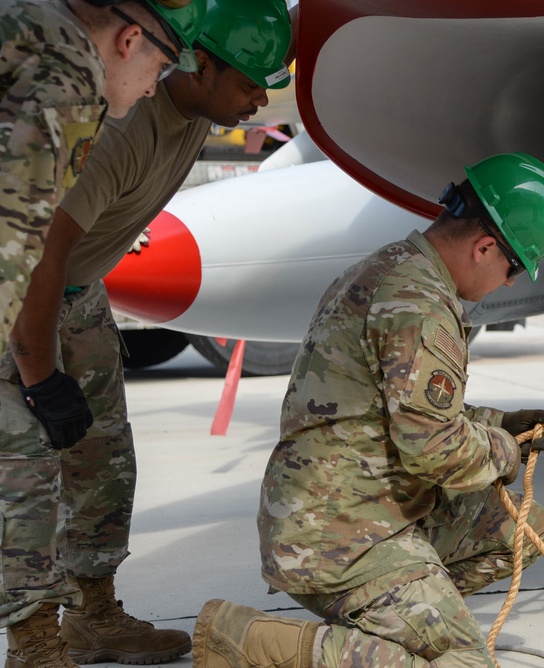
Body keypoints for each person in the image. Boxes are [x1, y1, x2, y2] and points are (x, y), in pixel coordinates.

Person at [191, 153, 544, 667]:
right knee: (468, 665)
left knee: (522, 531)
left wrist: (498, 423)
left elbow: (398, 408)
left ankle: (400, 619)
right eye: (511, 268)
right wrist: (504, 449)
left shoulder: (393, 267)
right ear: (485, 247)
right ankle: (248, 639)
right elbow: (436, 451)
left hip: (352, 509)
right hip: (343, 533)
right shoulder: (420, 305)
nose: (508, 284)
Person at [0, 1, 292, 666]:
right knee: (27, 468)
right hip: (25, 292)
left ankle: (94, 614)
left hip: (77, 294)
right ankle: (35, 642)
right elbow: (40, 250)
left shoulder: (195, 108)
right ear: (200, 66)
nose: (258, 101)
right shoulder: (121, 126)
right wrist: (40, 374)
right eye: (249, 82)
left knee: (103, 457)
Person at [0, 0, 206, 360]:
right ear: (129, 40)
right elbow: (15, 241)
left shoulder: (28, 19)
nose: (151, 90)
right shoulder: (67, 71)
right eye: (160, 67)